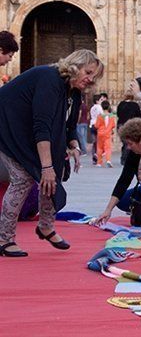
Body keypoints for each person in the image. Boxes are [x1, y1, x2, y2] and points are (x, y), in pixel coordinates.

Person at [0, 49, 103, 257]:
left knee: (51, 176)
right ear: (76, 65)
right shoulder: (50, 79)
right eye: (89, 72)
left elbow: (69, 125)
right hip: (7, 128)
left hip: (23, 131)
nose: (91, 80)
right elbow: (42, 126)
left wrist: (73, 146)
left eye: (95, 76)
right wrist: (46, 166)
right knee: (23, 179)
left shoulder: (72, 90)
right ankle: (4, 239)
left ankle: (46, 227)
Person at [116, 91, 141, 165]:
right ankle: (125, 159)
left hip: (121, 124)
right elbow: (139, 116)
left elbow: (118, 114)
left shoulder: (121, 104)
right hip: (130, 125)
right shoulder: (135, 105)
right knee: (129, 142)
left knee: (125, 142)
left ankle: (124, 158)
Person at [95, 100, 116, 168]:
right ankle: (108, 160)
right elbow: (113, 125)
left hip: (100, 133)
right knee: (108, 148)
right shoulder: (111, 116)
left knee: (99, 148)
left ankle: (99, 162)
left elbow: (96, 125)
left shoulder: (100, 116)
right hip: (108, 134)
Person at [89, 93, 108, 165]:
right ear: (97, 101)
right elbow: (103, 116)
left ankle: (94, 156)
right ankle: (98, 155)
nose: (101, 101)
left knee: (94, 142)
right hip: (98, 125)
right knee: (100, 142)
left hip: (92, 124)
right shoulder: (99, 107)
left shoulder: (92, 108)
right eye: (100, 100)